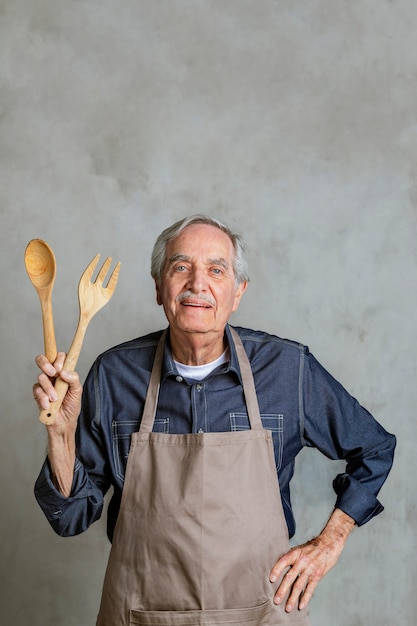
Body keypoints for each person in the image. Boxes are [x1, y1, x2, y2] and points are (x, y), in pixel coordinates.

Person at [33, 214, 396, 626]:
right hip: (141, 614)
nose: (197, 284)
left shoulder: (287, 370)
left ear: (238, 291)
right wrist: (60, 435)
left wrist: (329, 542)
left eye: (216, 270)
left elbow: (375, 448)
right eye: (181, 266)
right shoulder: (114, 376)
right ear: (159, 287)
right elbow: (71, 516)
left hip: (258, 612)